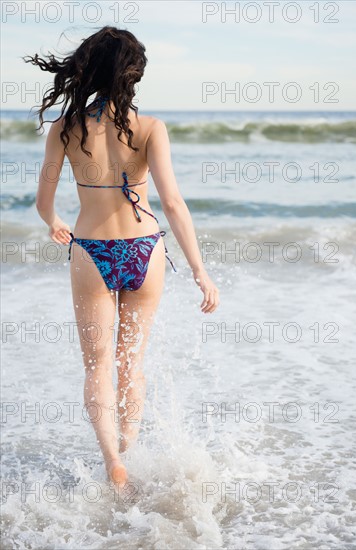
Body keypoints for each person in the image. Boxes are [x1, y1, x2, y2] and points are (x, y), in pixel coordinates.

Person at [24, 26, 220, 489]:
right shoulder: (151, 128)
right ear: (133, 74)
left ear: (89, 68)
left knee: (97, 366)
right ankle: (129, 450)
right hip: (144, 250)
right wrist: (199, 270)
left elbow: (43, 198)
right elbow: (172, 203)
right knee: (132, 363)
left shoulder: (66, 129)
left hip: (91, 251)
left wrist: (53, 222)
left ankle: (112, 460)